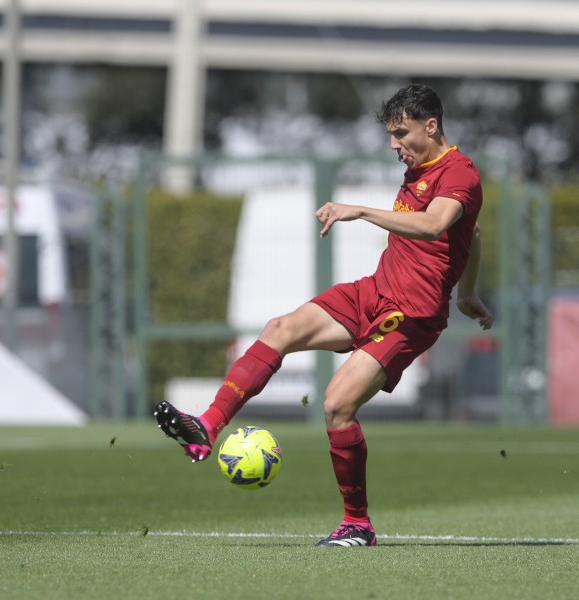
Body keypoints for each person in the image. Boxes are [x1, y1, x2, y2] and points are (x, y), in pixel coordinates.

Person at [155, 83, 494, 547]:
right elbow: (470, 233)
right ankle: (206, 427)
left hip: (412, 314)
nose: (394, 144)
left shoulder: (460, 172)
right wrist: (469, 292)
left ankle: (358, 523)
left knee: (336, 406)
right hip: (374, 292)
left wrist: (359, 210)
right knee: (280, 329)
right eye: (391, 135)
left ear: (430, 126)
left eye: (401, 133)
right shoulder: (419, 169)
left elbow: (436, 224)